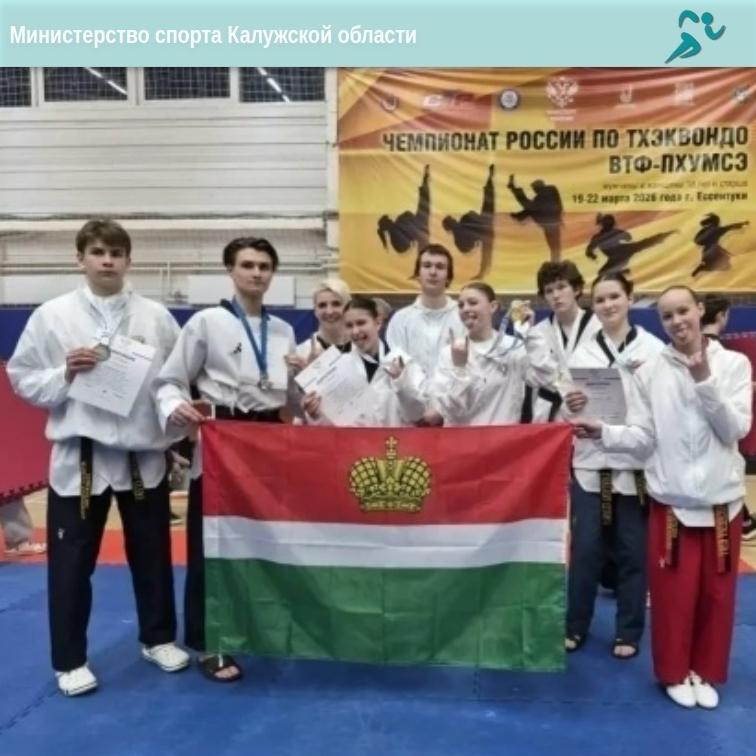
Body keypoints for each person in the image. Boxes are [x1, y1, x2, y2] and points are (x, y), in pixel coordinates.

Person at [7, 218, 189, 697]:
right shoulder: (51, 316)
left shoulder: (155, 317)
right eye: (98, 252)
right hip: (79, 457)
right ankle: (70, 660)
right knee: (71, 565)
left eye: (116, 253)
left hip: (141, 456)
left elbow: (173, 379)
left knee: (153, 556)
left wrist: (175, 411)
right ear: (80, 259)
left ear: (129, 260)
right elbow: (23, 377)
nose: (107, 261)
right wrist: (65, 373)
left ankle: (159, 638)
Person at [572, 285, 752, 709]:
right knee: (674, 597)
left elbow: (735, 430)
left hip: (722, 500)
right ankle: (674, 671)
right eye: (667, 316)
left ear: (700, 310)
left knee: (716, 596)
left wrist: (704, 379)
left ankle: (705, 670)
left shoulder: (734, 364)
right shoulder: (651, 371)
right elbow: (643, 437)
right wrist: (604, 432)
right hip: (672, 501)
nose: (677, 321)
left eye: (683, 311)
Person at [156, 236, 296, 683]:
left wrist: (307, 397)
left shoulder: (283, 330)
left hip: (268, 441)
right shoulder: (206, 323)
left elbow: (289, 396)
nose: (257, 273)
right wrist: (175, 407)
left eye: (265, 266)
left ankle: (258, 628)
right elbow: (170, 380)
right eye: (248, 265)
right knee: (211, 544)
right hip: (223, 441)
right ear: (230, 271)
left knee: (264, 541)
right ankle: (209, 642)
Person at [562, 272, 664, 660]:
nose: (607, 305)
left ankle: (629, 631)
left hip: (635, 467)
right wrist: (570, 405)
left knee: (632, 553)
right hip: (593, 467)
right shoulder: (582, 354)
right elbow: (569, 407)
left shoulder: (654, 350)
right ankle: (575, 625)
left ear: (630, 298)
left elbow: (662, 409)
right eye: (600, 299)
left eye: (614, 297)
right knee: (585, 552)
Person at [430, 282, 554, 426]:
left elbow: (546, 379)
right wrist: (460, 369)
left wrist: (531, 334)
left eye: (473, 303)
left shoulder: (513, 348)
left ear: (493, 306)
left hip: (503, 438)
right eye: (461, 305)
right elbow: (451, 412)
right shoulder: (450, 353)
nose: (465, 309)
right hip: (463, 439)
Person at [302, 296, 426, 427]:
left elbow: (416, 414)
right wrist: (315, 413)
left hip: (394, 440)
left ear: (377, 323)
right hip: (355, 440)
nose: (355, 331)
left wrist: (401, 383)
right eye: (349, 326)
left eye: (361, 323)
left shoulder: (404, 361)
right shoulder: (339, 367)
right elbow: (333, 424)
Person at [701, 293, 756, 541]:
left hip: (711, 431)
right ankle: (742, 522)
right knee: (723, 471)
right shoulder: (725, 357)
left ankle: (743, 521)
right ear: (722, 316)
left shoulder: (727, 358)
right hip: (712, 432)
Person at [386, 243, 465, 394]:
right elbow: (399, 364)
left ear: (448, 277)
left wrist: (441, 400)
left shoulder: (463, 317)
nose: (433, 272)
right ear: (418, 274)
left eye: (440, 267)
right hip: (411, 401)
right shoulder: (400, 320)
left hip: (453, 402)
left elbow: (465, 367)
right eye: (427, 266)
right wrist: (421, 397)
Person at [527, 261, 599, 422]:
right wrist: (566, 387)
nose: (555, 295)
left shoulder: (597, 326)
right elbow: (535, 376)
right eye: (549, 291)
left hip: (589, 407)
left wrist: (566, 385)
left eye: (561, 287)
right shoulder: (537, 332)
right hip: (550, 414)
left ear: (576, 289)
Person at [442, 164, 496, 279]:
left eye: (451, 218)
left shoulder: (462, 223)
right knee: (488, 199)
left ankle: (490, 178)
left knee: (488, 198)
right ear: (450, 225)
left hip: (483, 225)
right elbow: (466, 248)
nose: (453, 218)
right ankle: (483, 271)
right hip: (483, 228)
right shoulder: (459, 231)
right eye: (451, 219)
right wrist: (476, 240)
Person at [290, 278, 352, 370]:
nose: (329, 312)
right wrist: (307, 373)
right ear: (315, 311)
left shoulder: (364, 348)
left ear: (348, 308)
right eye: (322, 305)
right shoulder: (302, 354)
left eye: (336, 304)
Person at [507, 174, 564, 262]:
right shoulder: (547, 193)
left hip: (551, 223)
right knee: (554, 246)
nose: (534, 191)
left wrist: (515, 191)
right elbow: (532, 208)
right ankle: (555, 261)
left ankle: (556, 262)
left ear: (539, 187)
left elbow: (531, 207)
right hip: (552, 223)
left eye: (535, 189)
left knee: (554, 246)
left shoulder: (547, 192)